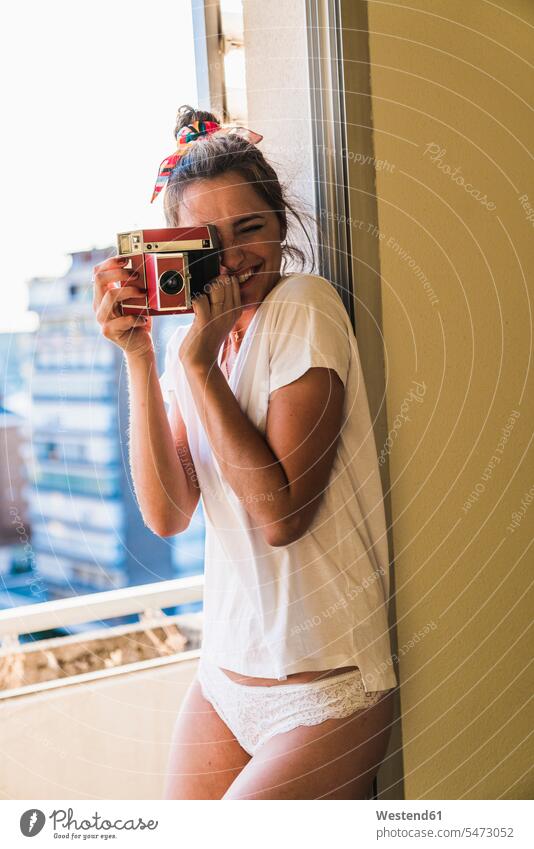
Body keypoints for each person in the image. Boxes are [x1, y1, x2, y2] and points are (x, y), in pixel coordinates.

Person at [92, 105, 398, 800]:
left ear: (281, 224)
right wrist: (142, 357)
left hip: (325, 689)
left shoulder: (304, 306)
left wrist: (199, 367)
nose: (231, 258)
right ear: (179, 248)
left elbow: (281, 515)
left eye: (249, 229)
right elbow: (168, 514)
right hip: (224, 677)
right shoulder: (199, 339)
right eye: (207, 240)